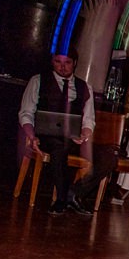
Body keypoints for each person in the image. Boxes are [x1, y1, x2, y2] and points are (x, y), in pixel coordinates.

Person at [15, 52, 99, 215]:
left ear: (74, 63)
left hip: (74, 139)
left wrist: (84, 134)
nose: (62, 67)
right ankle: (60, 199)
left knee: (108, 156)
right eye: (58, 62)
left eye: (67, 62)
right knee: (59, 147)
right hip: (47, 137)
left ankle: (73, 193)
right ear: (52, 62)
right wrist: (32, 136)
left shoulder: (84, 87)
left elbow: (89, 119)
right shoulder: (38, 81)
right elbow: (26, 113)